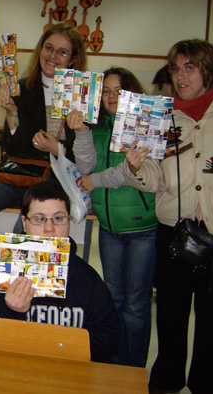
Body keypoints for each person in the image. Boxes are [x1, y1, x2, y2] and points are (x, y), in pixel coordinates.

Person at [123, 39, 213, 394]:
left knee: (212, 324)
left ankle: (205, 386)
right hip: (174, 234)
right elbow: (156, 177)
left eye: (189, 67)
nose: (180, 76)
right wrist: (135, 168)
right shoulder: (159, 116)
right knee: (169, 316)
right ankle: (166, 382)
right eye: (175, 68)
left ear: (209, 71)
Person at [0, 23, 87, 286]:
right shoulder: (21, 88)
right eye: (48, 48)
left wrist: (57, 149)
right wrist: (12, 112)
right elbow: (12, 147)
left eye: (62, 52)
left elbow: (87, 154)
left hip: (56, 179)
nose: (52, 56)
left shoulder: (80, 95)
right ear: (39, 50)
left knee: (21, 230)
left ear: (73, 59)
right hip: (18, 172)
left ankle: (19, 295)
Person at [67, 67, 157, 367]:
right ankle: (116, 364)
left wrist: (95, 181)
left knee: (136, 306)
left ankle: (133, 369)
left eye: (118, 91)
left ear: (131, 93)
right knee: (114, 301)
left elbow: (128, 173)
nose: (110, 97)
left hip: (141, 228)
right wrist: (81, 133)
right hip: (108, 227)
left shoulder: (141, 126)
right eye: (105, 91)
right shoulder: (100, 127)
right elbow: (85, 165)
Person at [0, 181, 121, 363]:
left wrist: (58, 345)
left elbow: (110, 340)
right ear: (24, 223)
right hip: (12, 371)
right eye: (39, 219)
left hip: (68, 373)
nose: (49, 229)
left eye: (58, 219)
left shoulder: (86, 278)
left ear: (69, 222)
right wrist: (12, 312)